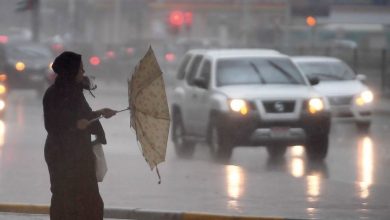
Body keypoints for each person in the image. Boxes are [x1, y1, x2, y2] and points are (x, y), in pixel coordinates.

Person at [43, 51, 116, 220]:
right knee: (65, 201)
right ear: (70, 71)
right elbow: (52, 125)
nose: (83, 72)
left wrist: (100, 113)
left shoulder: (76, 93)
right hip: (61, 155)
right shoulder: (53, 94)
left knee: (91, 202)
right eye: (80, 69)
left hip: (80, 153)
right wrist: (75, 125)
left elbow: (84, 116)